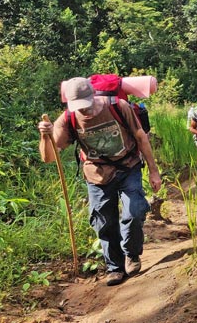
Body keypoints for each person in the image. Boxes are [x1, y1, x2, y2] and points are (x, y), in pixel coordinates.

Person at [38, 77, 162, 287]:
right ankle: (115, 267)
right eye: (78, 107)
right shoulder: (68, 119)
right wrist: (45, 137)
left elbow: (141, 137)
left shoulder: (118, 106)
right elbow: (49, 157)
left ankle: (131, 254)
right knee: (103, 221)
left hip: (128, 165)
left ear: (93, 96)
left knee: (135, 211)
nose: (84, 111)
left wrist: (153, 170)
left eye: (86, 105)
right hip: (96, 173)